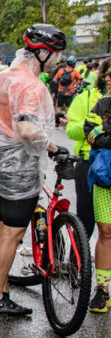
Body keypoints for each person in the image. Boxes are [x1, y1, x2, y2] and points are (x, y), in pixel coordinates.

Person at [0, 24, 66, 316]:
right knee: (13, 234)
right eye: (55, 54)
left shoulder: (2, 77)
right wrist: (53, 147)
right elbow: (27, 129)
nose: (57, 60)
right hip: (17, 170)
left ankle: (0, 288)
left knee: (2, 227)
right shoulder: (31, 86)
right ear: (42, 53)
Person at [65, 60, 109, 241]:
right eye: (109, 75)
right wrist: (93, 123)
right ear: (103, 77)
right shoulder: (86, 97)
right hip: (90, 163)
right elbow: (71, 131)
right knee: (86, 222)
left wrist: (103, 128)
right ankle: (77, 258)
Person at [82, 91, 111, 313]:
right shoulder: (103, 104)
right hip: (105, 178)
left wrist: (105, 128)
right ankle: (102, 290)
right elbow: (89, 133)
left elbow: (100, 137)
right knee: (106, 231)